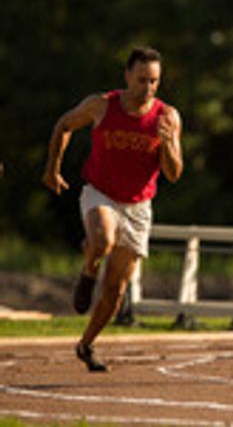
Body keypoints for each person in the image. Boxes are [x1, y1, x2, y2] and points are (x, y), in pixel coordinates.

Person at [42, 46, 183, 372]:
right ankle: (88, 270)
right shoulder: (101, 106)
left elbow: (174, 175)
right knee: (102, 239)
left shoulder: (168, 117)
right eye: (141, 80)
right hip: (100, 194)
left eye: (154, 81)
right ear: (126, 77)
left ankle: (86, 344)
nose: (148, 88)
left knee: (116, 290)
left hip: (138, 206)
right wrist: (53, 168)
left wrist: (168, 144)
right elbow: (64, 124)